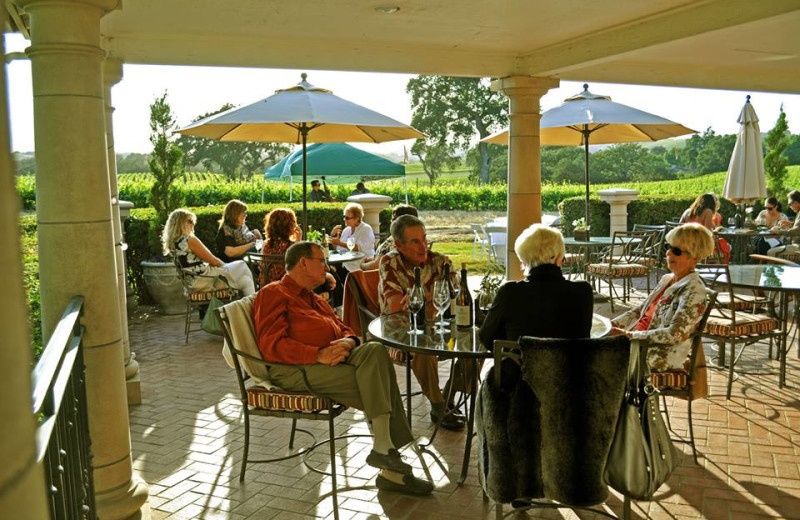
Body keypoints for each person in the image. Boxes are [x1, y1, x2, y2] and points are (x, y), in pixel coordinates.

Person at [253, 241, 432, 495]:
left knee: (375, 351)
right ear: (303, 263)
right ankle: (391, 466)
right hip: (294, 369)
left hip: (331, 361)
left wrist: (351, 340)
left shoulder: (314, 299)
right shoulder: (274, 294)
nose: (326, 266)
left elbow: (343, 327)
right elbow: (272, 345)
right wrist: (318, 354)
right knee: (377, 381)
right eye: (321, 261)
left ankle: (384, 450)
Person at [378, 214, 474, 431]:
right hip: (398, 335)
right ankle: (438, 404)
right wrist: (432, 297)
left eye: (424, 239)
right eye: (415, 241)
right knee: (422, 347)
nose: (423, 246)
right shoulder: (390, 262)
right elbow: (395, 307)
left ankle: (449, 396)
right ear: (399, 245)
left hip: (439, 331)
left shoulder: (441, 261)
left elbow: (455, 297)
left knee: (474, 346)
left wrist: (419, 297)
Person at [610, 223, 714, 371]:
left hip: (657, 355)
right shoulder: (667, 279)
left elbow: (674, 334)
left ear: (695, 257)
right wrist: (610, 325)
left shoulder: (694, 290)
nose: (668, 254)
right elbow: (640, 310)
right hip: (637, 343)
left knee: (596, 359)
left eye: (676, 251)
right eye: (668, 247)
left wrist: (629, 335)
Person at [479, 224, 593, 350]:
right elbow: (584, 339)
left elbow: (487, 339)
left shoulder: (510, 292)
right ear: (559, 259)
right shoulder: (583, 292)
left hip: (519, 369)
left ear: (523, 261)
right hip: (569, 369)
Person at [162, 208, 255, 296]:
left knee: (245, 281)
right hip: (204, 279)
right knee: (242, 265)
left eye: (194, 222)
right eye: (190, 221)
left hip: (193, 283)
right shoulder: (189, 240)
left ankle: (250, 309)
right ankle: (256, 308)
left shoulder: (173, 242)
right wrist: (227, 270)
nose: (193, 224)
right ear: (179, 223)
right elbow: (213, 261)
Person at [260, 208, 340, 304]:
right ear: (291, 225)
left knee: (329, 273)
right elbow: (303, 270)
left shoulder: (265, 246)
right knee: (331, 277)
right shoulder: (291, 247)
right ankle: (336, 307)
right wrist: (299, 241)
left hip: (268, 287)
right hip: (292, 288)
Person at [360, 204, 418, 270]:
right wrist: (374, 258)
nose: (391, 222)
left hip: (384, 277)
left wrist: (362, 265)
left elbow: (378, 266)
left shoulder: (396, 241)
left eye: (393, 219)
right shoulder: (417, 240)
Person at [681, 193, 729, 261]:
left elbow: (679, 226)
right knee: (722, 243)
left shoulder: (687, 211)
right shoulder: (707, 211)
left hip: (684, 242)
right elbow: (708, 232)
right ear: (712, 204)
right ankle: (715, 265)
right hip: (698, 243)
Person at [328, 202, 375, 271]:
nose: (344, 219)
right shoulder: (346, 230)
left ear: (357, 219)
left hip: (361, 267)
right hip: (346, 265)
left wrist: (339, 243)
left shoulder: (366, 229)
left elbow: (358, 248)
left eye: (347, 218)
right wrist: (333, 237)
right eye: (344, 217)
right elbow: (338, 249)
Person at [768, 190, 800, 257]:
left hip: (798, 247)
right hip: (795, 245)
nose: (789, 206)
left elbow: (797, 231)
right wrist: (791, 224)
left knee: (770, 252)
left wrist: (779, 232)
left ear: (796, 203)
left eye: (790, 204)